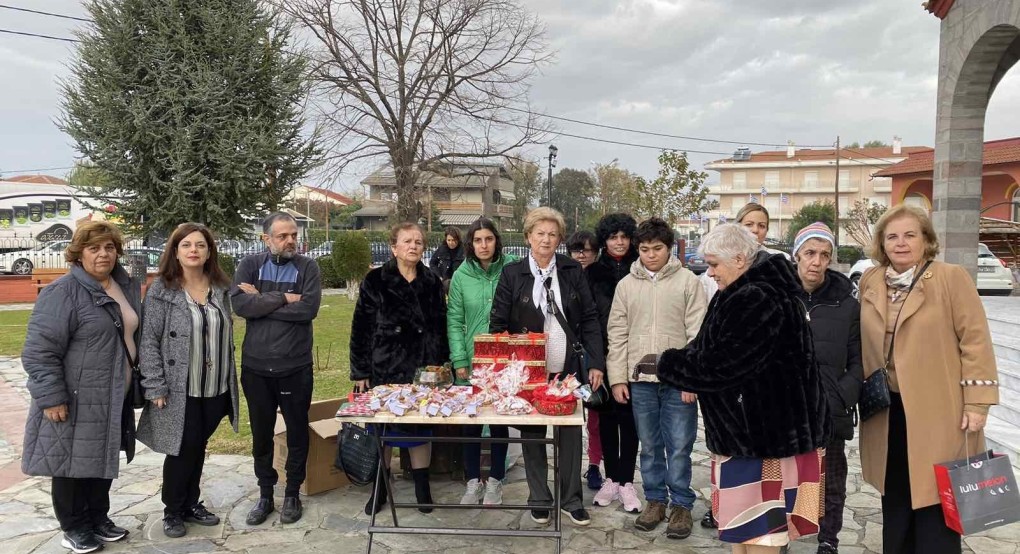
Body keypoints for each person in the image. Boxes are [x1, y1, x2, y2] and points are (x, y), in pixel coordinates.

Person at [657, 223, 828, 553]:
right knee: (742, 537)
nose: (709, 272)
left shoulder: (756, 296)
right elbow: (707, 344)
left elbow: (723, 364)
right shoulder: (741, 289)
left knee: (761, 539)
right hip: (753, 438)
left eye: (714, 264)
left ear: (738, 259)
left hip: (764, 440)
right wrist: (682, 359)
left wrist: (667, 365)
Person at [858, 205, 998, 554]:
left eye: (910, 235)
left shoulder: (950, 278)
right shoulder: (871, 281)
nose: (900, 243)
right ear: (882, 243)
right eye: (892, 236)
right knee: (896, 493)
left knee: (936, 496)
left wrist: (978, 402)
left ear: (926, 240)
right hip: (887, 410)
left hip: (939, 410)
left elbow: (975, 340)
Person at [21, 221, 139, 554]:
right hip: (76, 396)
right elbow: (39, 351)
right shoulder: (63, 292)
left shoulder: (122, 285)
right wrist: (51, 397)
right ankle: (74, 527)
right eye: (94, 248)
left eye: (109, 247)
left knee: (100, 457)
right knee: (72, 464)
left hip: (114, 393)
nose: (103, 254)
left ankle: (98, 519)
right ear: (79, 253)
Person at [490, 206, 604, 527]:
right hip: (530, 372)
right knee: (532, 435)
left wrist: (594, 363)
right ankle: (539, 498)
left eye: (553, 234)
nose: (546, 239)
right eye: (540, 233)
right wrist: (513, 361)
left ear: (559, 239)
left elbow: (591, 319)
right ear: (528, 236)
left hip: (568, 370)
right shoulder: (513, 274)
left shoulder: (571, 270)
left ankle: (571, 499)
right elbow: (498, 323)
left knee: (569, 435)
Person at [137, 223, 241, 538]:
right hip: (180, 387)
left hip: (215, 385)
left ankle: (191, 503)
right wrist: (154, 384)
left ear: (209, 252)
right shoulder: (162, 290)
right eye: (186, 245)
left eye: (200, 245)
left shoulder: (221, 288)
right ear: (176, 252)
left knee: (198, 446)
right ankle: (173, 510)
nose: (193, 250)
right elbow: (149, 341)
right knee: (182, 448)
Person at [607, 217, 707, 539]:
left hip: (678, 382)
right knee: (649, 446)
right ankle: (655, 500)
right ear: (639, 249)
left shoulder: (688, 282)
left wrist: (691, 378)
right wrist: (618, 378)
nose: (651, 255)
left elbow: (698, 334)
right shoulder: (626, 285)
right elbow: (617, 334)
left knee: (679, 445)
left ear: (670, 247)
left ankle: (681, 504)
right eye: (645, 249)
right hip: (640, 382)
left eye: (658, 248)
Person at [350, 222, 449, 515]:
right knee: (383, 429)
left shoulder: (431, 281)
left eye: (419, 241)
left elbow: (439, 326)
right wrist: (360, 372)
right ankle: (380, 487)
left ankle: (422, 488)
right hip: (385, 368)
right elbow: (361, 328)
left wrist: (441, 364)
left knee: (420, 427)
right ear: (394, 247)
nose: (414, 246)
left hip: (423, 370)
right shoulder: (376, 280)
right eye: (407, 241)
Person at [232, 212, 322, 526]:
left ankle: (293, 492)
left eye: (293, 235)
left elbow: (308, 309)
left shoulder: (308, 267)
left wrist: (264, 303)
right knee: (261, 434)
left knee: (297, 431)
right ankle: (266, 494)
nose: (290, 241)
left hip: (295, 365)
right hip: (256, 367)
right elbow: (241, 306)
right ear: (266, 238)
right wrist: (283, 298)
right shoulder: (249, 265)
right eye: (283, 236)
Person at [791, 222, 863, 554]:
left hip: (830, 410)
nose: (816, 261)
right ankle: (781, 536)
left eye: (824, 254)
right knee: (785, 479)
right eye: (809, 253)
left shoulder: (846, 303)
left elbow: (858, 358)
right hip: (786, 410)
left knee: (831, 480)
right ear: (796, 255)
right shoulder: (776, 296)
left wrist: (839, 396)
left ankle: (829, 539)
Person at [447, 218, 518, 506]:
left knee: (499, 421)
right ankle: (473, 480)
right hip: (472, 359)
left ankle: (496, 480)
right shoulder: (462, 275)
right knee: (471, 422)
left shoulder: (512, 268)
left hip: (503, 359)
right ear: (471, 244)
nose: (484, 245)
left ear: (496, 241)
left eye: (488, 239)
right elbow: (454, 320)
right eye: (478, 240)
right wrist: (459, 358)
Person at [585, 213, 641, 514]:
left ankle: (627, 480)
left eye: (623, 236)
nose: (619, 242)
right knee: (605, 417)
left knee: (629, 420)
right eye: (612, 237)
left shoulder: (640, 268)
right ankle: (610, 478)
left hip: (636, 355)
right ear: (604, 240)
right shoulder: (593, 273)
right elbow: (588, 317)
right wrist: (595, 358)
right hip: (602, 355)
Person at [566, 229, 604, 491]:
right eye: (576, 250)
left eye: (586, 250)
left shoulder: (602, 281)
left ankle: (593, 464)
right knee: (569, 411)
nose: (581, 255)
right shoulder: (563, 276)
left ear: (595, 252)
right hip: (568, 356)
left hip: (594, 353)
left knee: (594, 413)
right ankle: (567, 468)